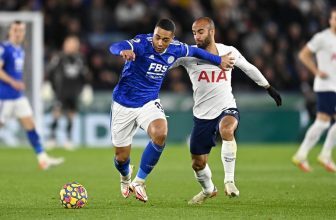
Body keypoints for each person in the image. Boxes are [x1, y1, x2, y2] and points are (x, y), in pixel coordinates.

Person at [109, 18, 235, 203]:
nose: (159, 43)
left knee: (160, 133)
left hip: (149, 103)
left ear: (172, 39)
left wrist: (219, 60)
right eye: (157, 37)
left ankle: (139, 181)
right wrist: (122, 50)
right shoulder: (141, 44)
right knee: (121, 158)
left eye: (165, 40)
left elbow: (195, 51)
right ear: (153, 34)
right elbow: (115, 45)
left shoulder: (177, 48)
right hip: (123, 104)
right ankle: (125, 177)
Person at [170, 17, 282, 204]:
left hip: (226, 107)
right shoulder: (188, 55)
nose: (196, 36)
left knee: (227, 130)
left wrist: (268, 87)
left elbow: (248, 68)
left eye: (200, 32)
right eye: (194, 32)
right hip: (202, 115)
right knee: (198, 163)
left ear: (211, 32)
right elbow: (165, 63)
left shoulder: (228, 51)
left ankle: (229, 181)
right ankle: (208, 190)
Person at [0, 21, 64, 170]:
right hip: (5, 97)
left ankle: (43, 159)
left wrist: (17, 84)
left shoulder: (20, 50)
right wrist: (13, 82)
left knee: (30, 125)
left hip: (18, 96)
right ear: (9, 31)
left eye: (21, 30)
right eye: (15, 30)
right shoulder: (4, 48)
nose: (18, 33)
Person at [292, 8, 336, 173]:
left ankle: (304, 154)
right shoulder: (322, 38)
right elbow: (303, 54)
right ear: (330, 20)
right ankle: (320, 154)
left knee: (322, 122)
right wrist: (316, 71)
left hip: (334, 86)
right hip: (326, 86)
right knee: (323, 122)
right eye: (334, 18)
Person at [44, 35, 92, 150]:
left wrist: (86, 87)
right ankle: (52, 138)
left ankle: (68, 139)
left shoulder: (80, 58)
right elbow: (50, 71)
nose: (72, 46)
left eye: (74, 44)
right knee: (56, 113)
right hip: (61, 90)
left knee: (71, 115)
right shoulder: (59, 57)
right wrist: (47, 84)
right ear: (65, 45)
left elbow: (85, 74)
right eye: (70, 43)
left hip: (74, 91)